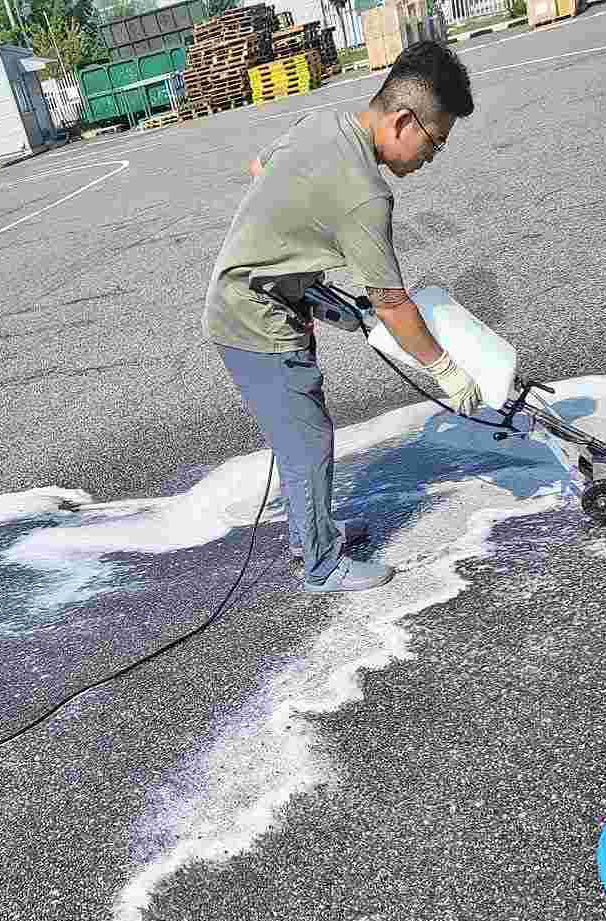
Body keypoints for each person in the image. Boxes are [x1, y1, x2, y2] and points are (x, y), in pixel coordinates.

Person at [203, 39, 480, 595]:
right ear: (403, 121)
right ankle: (320, 563)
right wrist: (446, 370)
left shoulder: (322, 121)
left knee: (304, 432)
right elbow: (392, 302)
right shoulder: (366, 195)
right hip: (253, 318)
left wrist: (294, 259)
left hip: (270, 295)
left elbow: (260, 167)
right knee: (307, 441)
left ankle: (315, 530)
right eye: (435, 143)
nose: (430, 159)